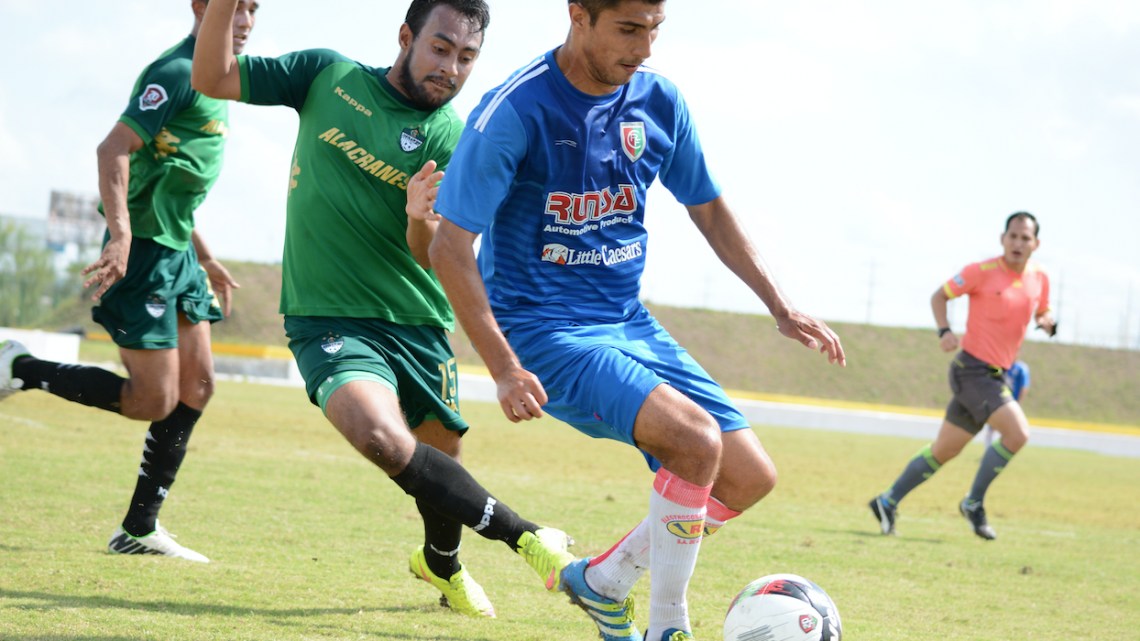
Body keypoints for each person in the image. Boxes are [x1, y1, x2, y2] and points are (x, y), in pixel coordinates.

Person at [427, 2, 846, 639]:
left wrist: (778, 303)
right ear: (578, 16)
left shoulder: (659, 103)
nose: (644, 48)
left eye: (654, 30)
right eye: (628, 29)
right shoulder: (514, 110)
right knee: (697, 442)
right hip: (544, 332)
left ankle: (603, 582)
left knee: (749, 476)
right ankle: (666, 627)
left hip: (627, 321)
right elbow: (449, 246)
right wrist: (503, 365)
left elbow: (709, 209)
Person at [191, 0, 574, 618]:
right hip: (329, 317)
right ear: (407, 37)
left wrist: (418, 220)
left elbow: (428, 256)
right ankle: (528, 538)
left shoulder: (455, 138)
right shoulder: (326, 76)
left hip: (418, 323)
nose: (450, 68)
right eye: (441, 48)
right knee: (380, 438)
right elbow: (213, 78)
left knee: (438, 463)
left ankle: (441, 566)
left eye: (467, 57)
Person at [0, 0, 259, 563]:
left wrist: (208, 258)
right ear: (200, 7)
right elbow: (113, 149)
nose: (244, 19)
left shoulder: (224, 82)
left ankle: (139, 528)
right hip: (141, 256)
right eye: (234, 7)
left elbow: (172, 186)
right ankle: (18, 367)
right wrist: (119, 234)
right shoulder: (175, 72)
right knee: (151, 399)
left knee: (199, 388)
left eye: (253, 8)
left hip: (178, 254)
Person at [870, 212, 1054, 541]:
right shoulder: (979, 272)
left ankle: (887, 501)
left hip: (998, 377)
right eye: (1013, 235)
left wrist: (1047, 320)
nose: (1018, 242)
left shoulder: (1040, 277)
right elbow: (939, 295)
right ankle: (973, 503)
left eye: (1025, 238)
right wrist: (944, 331)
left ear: (1035, 244)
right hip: (972, 371)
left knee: (944, 450)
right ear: (1003, 238)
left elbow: (1042, 308)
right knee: (1018, 434)